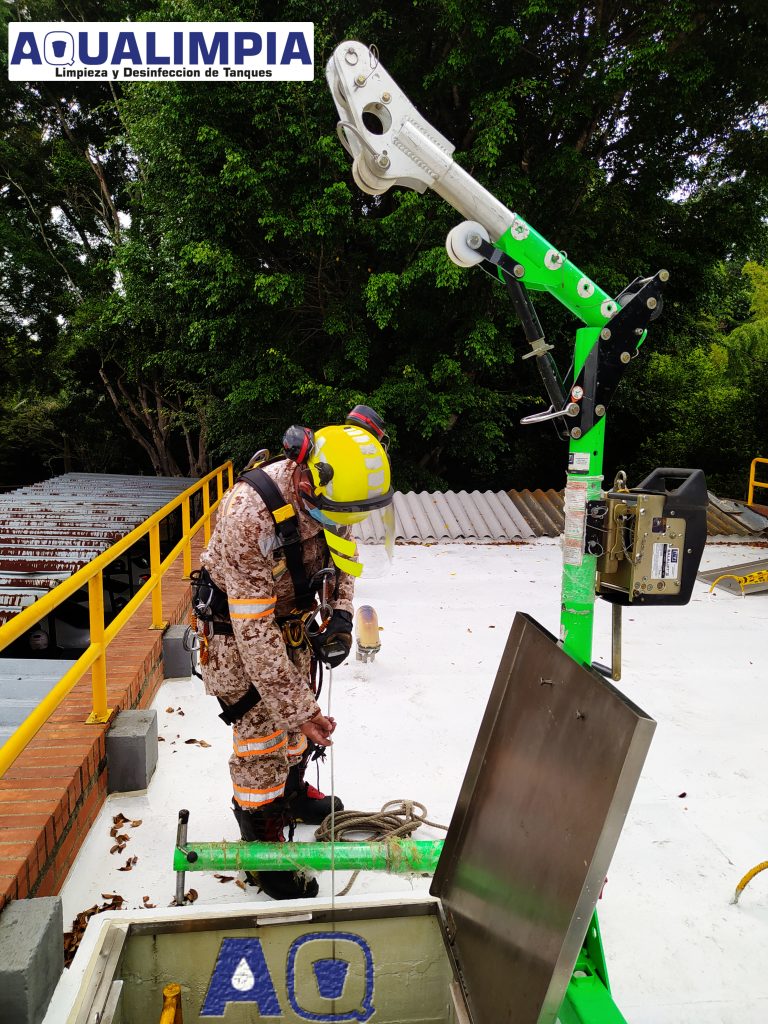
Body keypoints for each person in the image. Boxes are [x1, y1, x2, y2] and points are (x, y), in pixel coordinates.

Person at [197, 406, 393, 900]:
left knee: (295, 726)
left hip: (291, 625)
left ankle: (292, 792)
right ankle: (263, 850)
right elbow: (253, 631)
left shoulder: (337, 495)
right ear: (306, 478)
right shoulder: (249, 514)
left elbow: (342, 555)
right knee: (263, 734)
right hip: (238, 636)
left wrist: (342, 612)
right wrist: (302, 711)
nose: (346, 522)